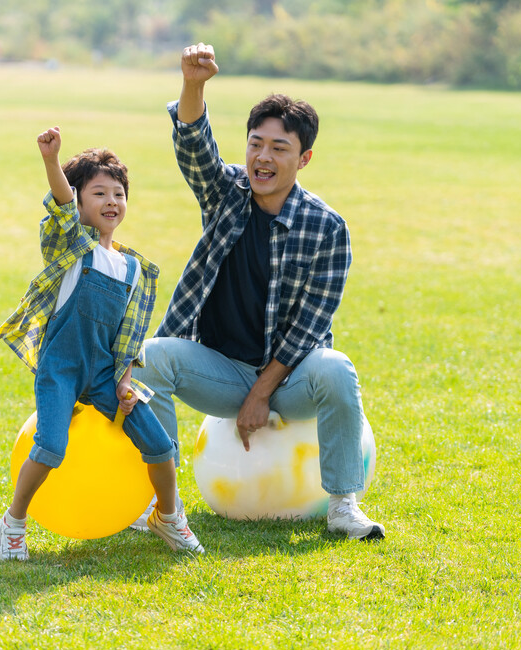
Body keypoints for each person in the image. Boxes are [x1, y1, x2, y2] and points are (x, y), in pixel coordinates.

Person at [131, 43, 385, 540]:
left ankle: (342, 505)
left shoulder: (327, 227)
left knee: (336, 368)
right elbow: (193, 148)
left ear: (304, 157)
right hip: (221, 370)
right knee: (149, 359)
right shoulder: (226, 192)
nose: (262, 157)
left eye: (278, 148)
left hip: (289, 381)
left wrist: (262, 393)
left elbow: (313, 324)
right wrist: (193, 84)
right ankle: (163, 505)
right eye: (255, 144)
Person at [0, 126, 205, 561]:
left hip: (106, 373)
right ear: (81, 202)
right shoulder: (73, 248)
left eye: (119, 194)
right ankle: (14, 522)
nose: (111, 202)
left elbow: (125, 338)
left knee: (161, 447)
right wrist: (52, 161)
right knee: (50, 446)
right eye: (99, 194)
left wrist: (125, 382)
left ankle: (167, 516)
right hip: (62, 369)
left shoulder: (131, 269)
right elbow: (62, 207)